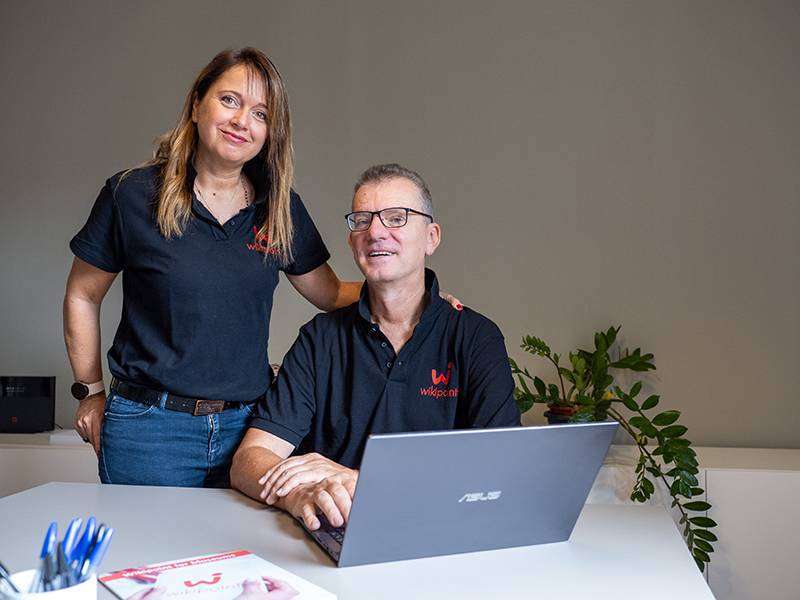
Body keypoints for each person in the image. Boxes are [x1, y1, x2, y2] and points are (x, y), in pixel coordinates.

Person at [63, 48, 461, 488]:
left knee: (239, 556)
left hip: (246, 429)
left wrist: (419, 300)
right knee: (149, 556)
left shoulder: (279, 209)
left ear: (269, 133)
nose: (242, 122)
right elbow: (83, 294)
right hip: (149, 430)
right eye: (229, 100)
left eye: (260, 113)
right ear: (197, 105)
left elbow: (329, 294)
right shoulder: (132, 194)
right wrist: (90, 392)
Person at [231, 163, 520, 530]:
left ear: (432, 237)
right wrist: (297, 494)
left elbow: (499, 468)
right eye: (362, 220)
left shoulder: (475, 338)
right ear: (352, 241)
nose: (376, 232)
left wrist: (361, 480)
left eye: (396, 218)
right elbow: (250, 459)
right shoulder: (319, 339)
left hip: (440, 531)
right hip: (335, 532)